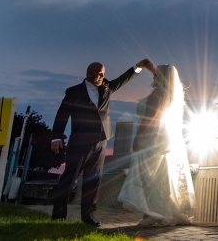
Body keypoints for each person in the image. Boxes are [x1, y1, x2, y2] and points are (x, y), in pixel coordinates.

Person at [49, 58, 154, 225]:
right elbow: (62, 115)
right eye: (99, 74)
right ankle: (59, 216)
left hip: (101, 141)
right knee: (69, 179)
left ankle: (88, 216)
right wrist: (56, 137)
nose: (102, 77)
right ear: (90, 74)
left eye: (104, 74)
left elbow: (122, 79)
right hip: (79, 141)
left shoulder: (106, 88)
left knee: (93, 180)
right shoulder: (73, 92)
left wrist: (137, 67)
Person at [118, 64, 196, 226]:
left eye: (156, 75)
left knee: (147, 176)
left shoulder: (157, 94)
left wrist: (137, 138)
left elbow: (150, 118)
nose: (153, 77)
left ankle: (150, 214)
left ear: (161, 77)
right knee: (161, 176)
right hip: (165, 138)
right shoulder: (171, 94)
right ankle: (168, 210)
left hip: (151, 138)